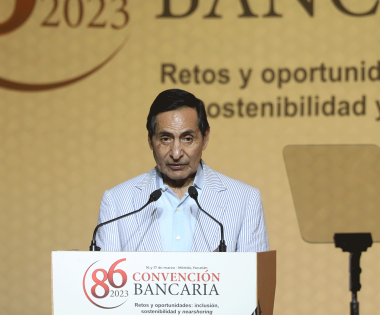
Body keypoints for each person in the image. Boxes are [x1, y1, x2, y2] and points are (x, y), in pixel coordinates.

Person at [94, 89, 269, 252]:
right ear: (150, 140)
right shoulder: (117, 202)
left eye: (187, 138)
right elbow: (105, 282)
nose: (176, 153)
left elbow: (256, 281)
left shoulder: (244, 200)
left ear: (205, 138)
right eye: (165, 139)